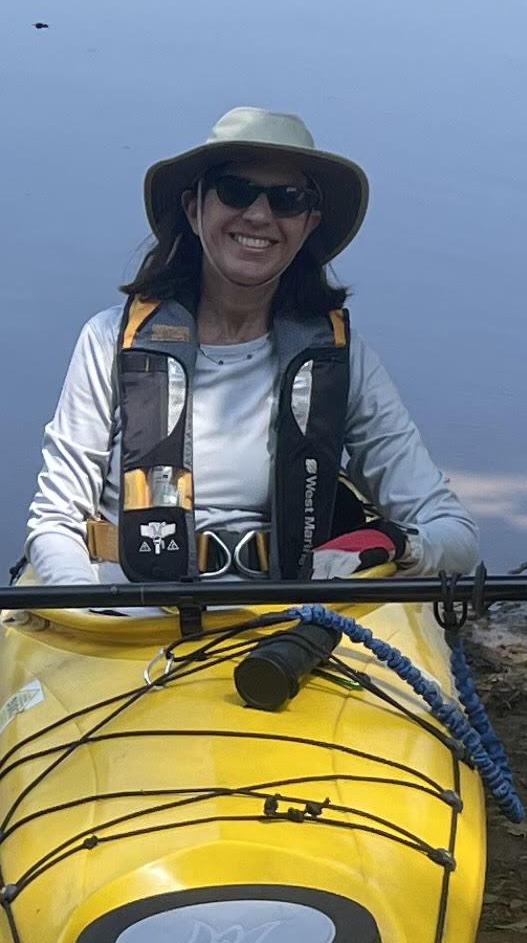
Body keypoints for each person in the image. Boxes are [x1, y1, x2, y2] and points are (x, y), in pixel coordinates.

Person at [24, 107, 481, 590]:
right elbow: (55, 521)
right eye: (236, 191)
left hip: (288, 616)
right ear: (194, 209)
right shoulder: (107, 341)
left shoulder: (343, 360)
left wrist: (393, 544)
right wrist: (84, 606)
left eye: (288, 199)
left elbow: (454, 534)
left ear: (308, 225)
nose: (260, 216)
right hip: (126, 614)